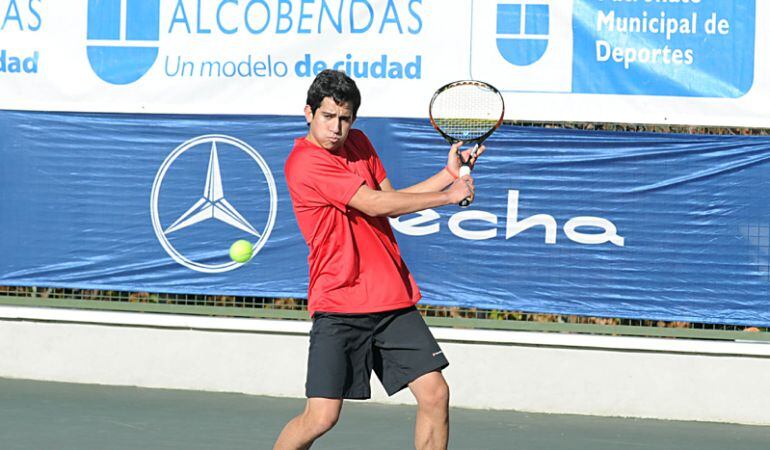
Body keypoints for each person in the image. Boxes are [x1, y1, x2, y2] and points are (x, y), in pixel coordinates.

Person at [275, 69, 483, 450]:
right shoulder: (305, 162)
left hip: (390, 298)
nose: (337, 128)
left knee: (435, 394)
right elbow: (373, 202)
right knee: (321, 417)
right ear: (308, 113)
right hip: (339, 302)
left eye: (345, 118)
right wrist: (448, 196)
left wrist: (446, 174)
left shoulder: (360, 143)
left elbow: (393, 206)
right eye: (327, 117)